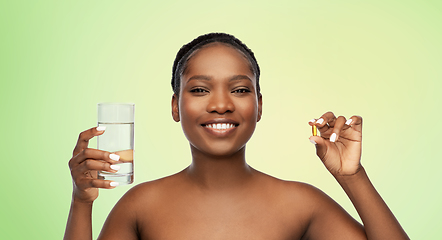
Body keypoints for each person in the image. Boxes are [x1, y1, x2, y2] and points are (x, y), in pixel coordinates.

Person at [64, 33, 409, 240]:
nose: (220, 104)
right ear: (175, 107)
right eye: (199, 89)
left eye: (240, 89)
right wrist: (81, 202)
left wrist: (353, 177)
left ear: (258, 106)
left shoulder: (301, 204)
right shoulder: (140, 207)